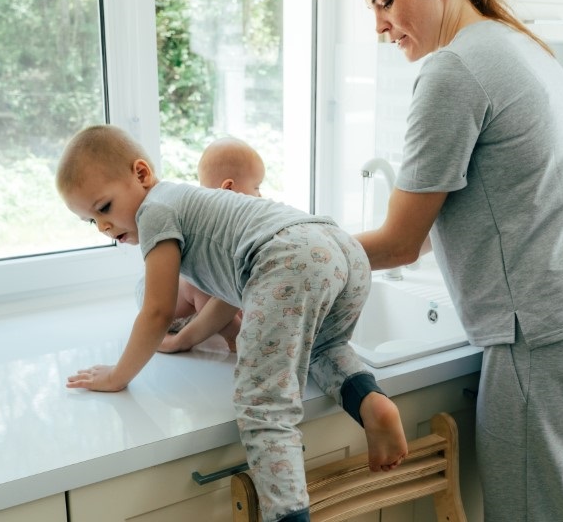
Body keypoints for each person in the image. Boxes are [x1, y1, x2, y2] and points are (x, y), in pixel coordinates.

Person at [354, 0, 563, 521]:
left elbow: (402, 242)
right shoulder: (516, 44)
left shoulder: (453, 71)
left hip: (545, 347)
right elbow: (465, 212)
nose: (380, 25)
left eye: (385, 1)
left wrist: (292, 253)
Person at [56, 125, 408, 522]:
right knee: (324, 349)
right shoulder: (191, 204)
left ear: (141, 174)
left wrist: (117, 377)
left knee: (263, 402)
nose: (104, 227)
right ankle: (369, 402)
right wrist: (187, 338)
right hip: (341, 248)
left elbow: (155, 310)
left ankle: (289, 517)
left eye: (103, 208)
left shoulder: (154, 210)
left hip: (290, 256)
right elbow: (233, 291)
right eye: (91, 221)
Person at [159, 136, 266, 353]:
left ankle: (235, 327)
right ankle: (236, 338)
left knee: (240, 282)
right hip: (168, 310)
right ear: (228, 189)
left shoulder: (237, 226)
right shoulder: (202, 224)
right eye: (256, 186)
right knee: (201, 281)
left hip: (201, 309)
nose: (260, 195)